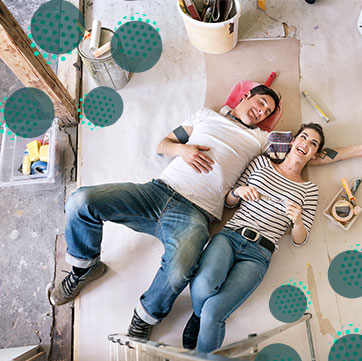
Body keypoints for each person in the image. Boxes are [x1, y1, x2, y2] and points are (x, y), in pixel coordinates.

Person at [49, 84, 359, 341]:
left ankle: (146, 316)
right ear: (245, 97)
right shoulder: (205, 116)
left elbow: (310, 153)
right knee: (81, 200)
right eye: (261, 102)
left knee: (181, 269)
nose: (262, 111)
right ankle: (84, 268)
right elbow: (163, 144)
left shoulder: (261, 140)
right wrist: (183, 150)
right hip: (156, 191)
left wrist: (357, 150)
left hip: (195, 215)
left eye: (267, 112)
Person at [182, 123, 324, 353]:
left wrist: (297, 220)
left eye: (313, 143)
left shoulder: (309, 190)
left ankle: (202, 325)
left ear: (315, 154)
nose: (306, 144)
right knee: (204, 285)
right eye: (304, 137)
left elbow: (301, 239)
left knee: (214, 312)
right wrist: (238, 192)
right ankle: (197, 315)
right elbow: (229, 201)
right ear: (293, 141)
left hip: (259, 254)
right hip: (230, 236)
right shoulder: (261, 162)